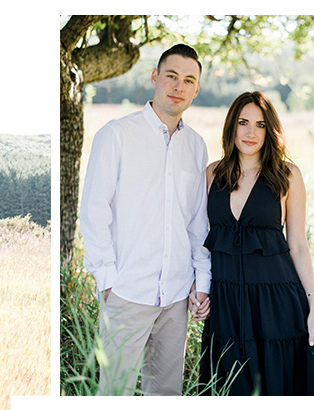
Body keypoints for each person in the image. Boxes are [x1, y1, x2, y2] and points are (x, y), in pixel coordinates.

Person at [79, 43, 211, 396]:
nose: (178, 86)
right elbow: (94, 210)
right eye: (171, 76)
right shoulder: (117, 134)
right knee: (114, 392)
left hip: (177, 294)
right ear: (155, 77)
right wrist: (107, 279)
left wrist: (202, 280)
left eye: (188, 80)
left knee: (167, 393)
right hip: (126, 290)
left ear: (196, 89)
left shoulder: (197, 146)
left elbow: (198, 223)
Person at [196, 91, 314, 395]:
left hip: (277, 303)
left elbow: (298, 244)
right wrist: (197, 287)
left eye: (260, 125)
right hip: (226, 304)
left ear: (271, 130)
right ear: (232, 126)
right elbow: (198, 239)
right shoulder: (211, 174)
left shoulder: (287, 175)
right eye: (243, 122)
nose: (251, 132)